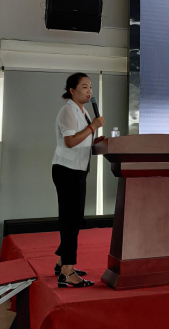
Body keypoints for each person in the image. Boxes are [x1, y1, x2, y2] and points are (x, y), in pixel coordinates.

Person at [52, 73, 106, 288]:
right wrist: (93, 127)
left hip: (78, 170)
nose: (89, 91)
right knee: (70, 219)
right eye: (84, 87)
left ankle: (61, 262)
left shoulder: (82, 111)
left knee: (75, 219)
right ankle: (67, 271)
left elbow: (82, 140)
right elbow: (70, 141)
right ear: (72, 90)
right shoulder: (68, 111)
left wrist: (96, 139)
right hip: (67, 170)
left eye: (90, 87)